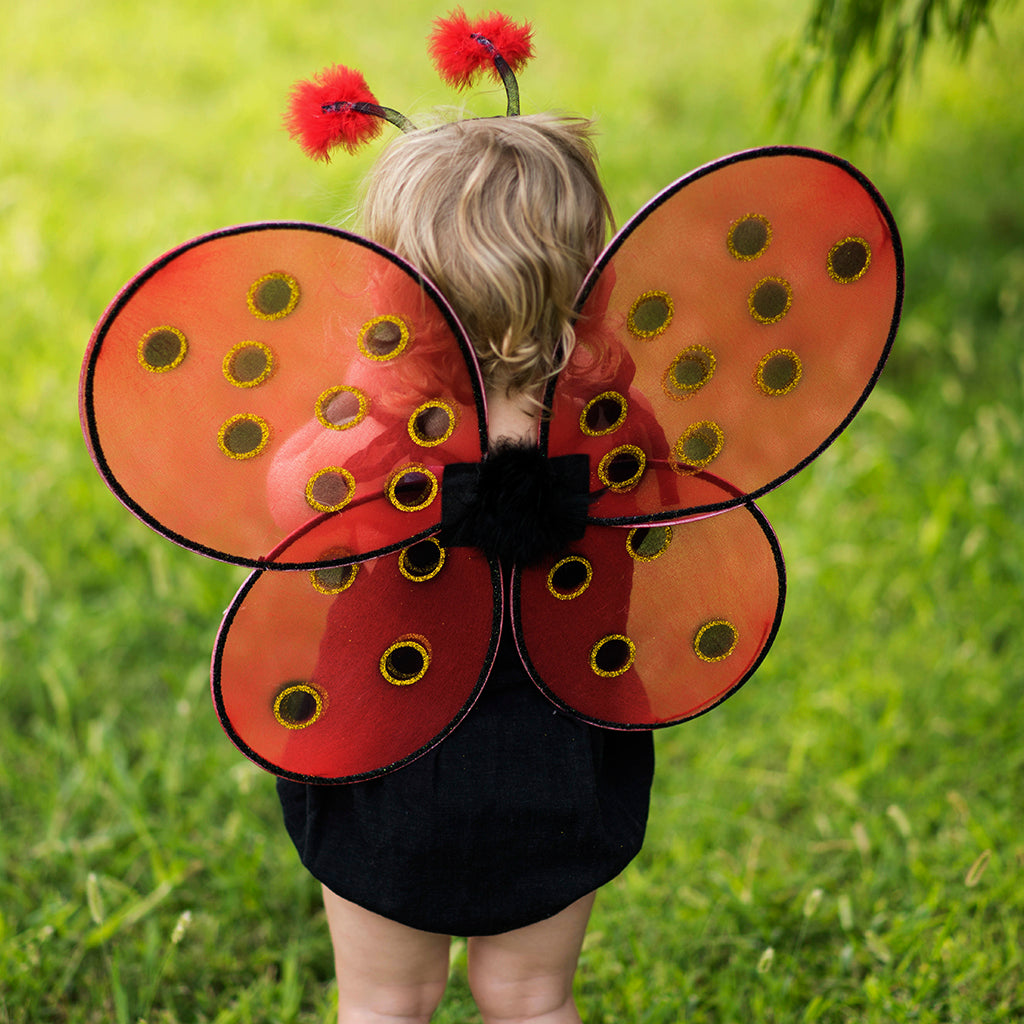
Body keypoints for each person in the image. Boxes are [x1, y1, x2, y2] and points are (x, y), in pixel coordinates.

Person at [274, 112, 656, 1023]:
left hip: (386, 752)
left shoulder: (375, 439)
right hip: (560, 749)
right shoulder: (613, 426)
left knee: (384, 1002)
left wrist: (360, 401)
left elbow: (285, 506)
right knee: (531, 996)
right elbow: (649, 521)